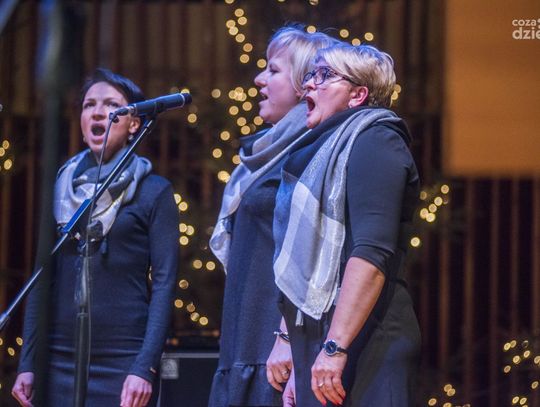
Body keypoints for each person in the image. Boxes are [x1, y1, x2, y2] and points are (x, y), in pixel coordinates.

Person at [11, 68, 179, 407]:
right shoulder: (60, 189)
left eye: (112, 105)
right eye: (89, 105)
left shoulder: (154, 191)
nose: (99, 112)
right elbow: (41, 279)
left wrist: (144, 366)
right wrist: (28, 362)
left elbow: (164, 284)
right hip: (57, 358)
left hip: (123, 359)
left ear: (134, 124)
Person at [273, 43, 421, 406]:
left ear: (358, 95)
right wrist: (293, 345)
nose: (309, 84)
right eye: (311, 74)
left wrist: (334, 348)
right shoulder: (319, 152)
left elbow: (371, 254)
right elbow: (305, 263)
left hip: (366, 343)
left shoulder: (377, 140)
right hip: (320, 343)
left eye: (324, 75)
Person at [208, 26, 339, 406]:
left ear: (303, 84)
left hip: (278, 348)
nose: (259, 79)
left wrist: (286, 337)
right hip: (245, 340)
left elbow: (316, 258)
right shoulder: (263, 155)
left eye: (273, 70)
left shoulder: (310, 152)